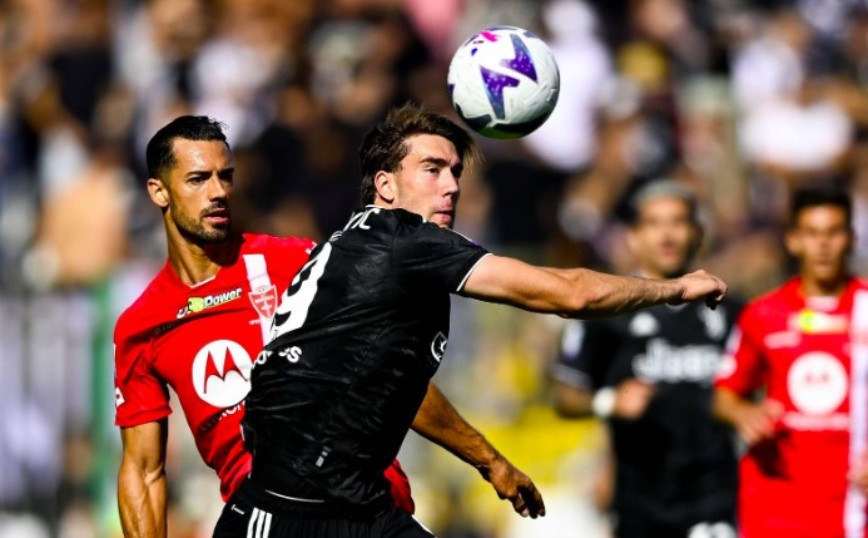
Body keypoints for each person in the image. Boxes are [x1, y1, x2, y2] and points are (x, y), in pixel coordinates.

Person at [214, 104, 728, 537]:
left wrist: (491, 461)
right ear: (385, 185)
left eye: (456, 172)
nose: (452, 186)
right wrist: (675, 288)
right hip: (290, 512)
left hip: (357, 503)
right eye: (432, 169)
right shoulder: (403, 242)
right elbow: (570, 293)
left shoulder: (366, 249)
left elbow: (401, 387)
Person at [114, 116, 543, 538]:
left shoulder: (301, 265)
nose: (218, 192)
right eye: (198, 179)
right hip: (269, 517)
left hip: (366, 504)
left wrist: (488, 460)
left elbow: (393, 379)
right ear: (158, 191)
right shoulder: (142, 325)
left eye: (225, 177)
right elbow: (143, 471)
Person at [551, 180, 740, 538]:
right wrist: (609, 401)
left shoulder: (731, 312)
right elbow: (564, 396)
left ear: (698, 233)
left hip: (714, 498)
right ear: (634, 237)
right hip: (638, 502)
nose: (666, 235)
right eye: (654, 224)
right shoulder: (606, 314)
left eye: (677, 222)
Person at [713, 188, 868, 537]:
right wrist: (744, 414)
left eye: (833, 232)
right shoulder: (763, 314)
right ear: (793, 241)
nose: (823, 245)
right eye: (812, 233)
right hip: (776, 508)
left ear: (851, 239)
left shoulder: (865, 308)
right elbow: (724, 395)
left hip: (852, 509)